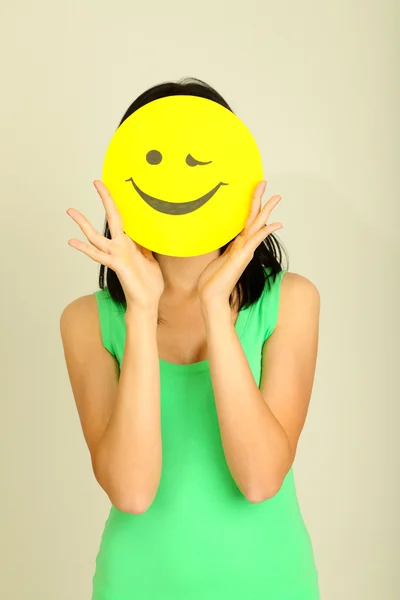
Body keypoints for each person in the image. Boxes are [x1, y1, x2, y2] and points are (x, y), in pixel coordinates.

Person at [60, 77, 321, 599]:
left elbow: (260, 480)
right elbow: (132, 492)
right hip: (136, 585)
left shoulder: (290, 300)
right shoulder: (86, 321)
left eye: (198, 158)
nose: (178, 178)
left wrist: (214, 310)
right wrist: (141, 310)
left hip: (270, 583)